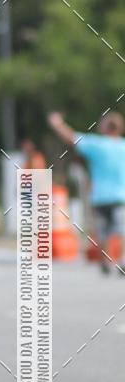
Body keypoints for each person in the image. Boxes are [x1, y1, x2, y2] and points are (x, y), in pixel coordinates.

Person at [47, 110, 125, 275]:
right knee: (121, 229)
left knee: (102, 230)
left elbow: (71, 138)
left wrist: (57, 124)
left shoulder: (97, 144)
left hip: (100, 196)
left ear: (105, 128)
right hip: (120, 196)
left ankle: (105, 261)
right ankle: (122, 259)